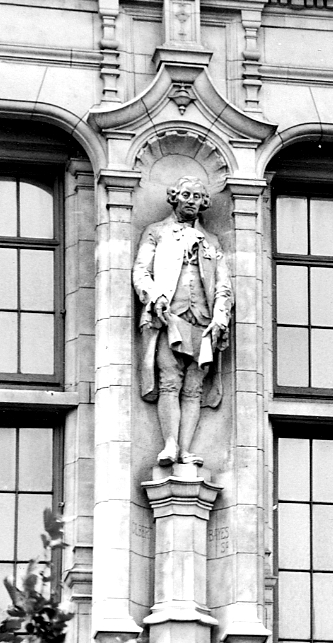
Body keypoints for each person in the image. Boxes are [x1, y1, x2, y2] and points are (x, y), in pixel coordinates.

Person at [133, 176, 232, 467]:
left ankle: (185, 449)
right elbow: (141, 271)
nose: (191, 200)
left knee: (193, 389)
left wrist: (220, 316)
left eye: (197, 196)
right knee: (169, 382)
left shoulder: (211, 242)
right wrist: (154, 296)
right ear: (175, 197)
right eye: (186, 194)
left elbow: (224, 286)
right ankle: (170, 444)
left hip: (202, 321)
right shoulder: (156, 232)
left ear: (204, 202)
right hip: (168, 317)